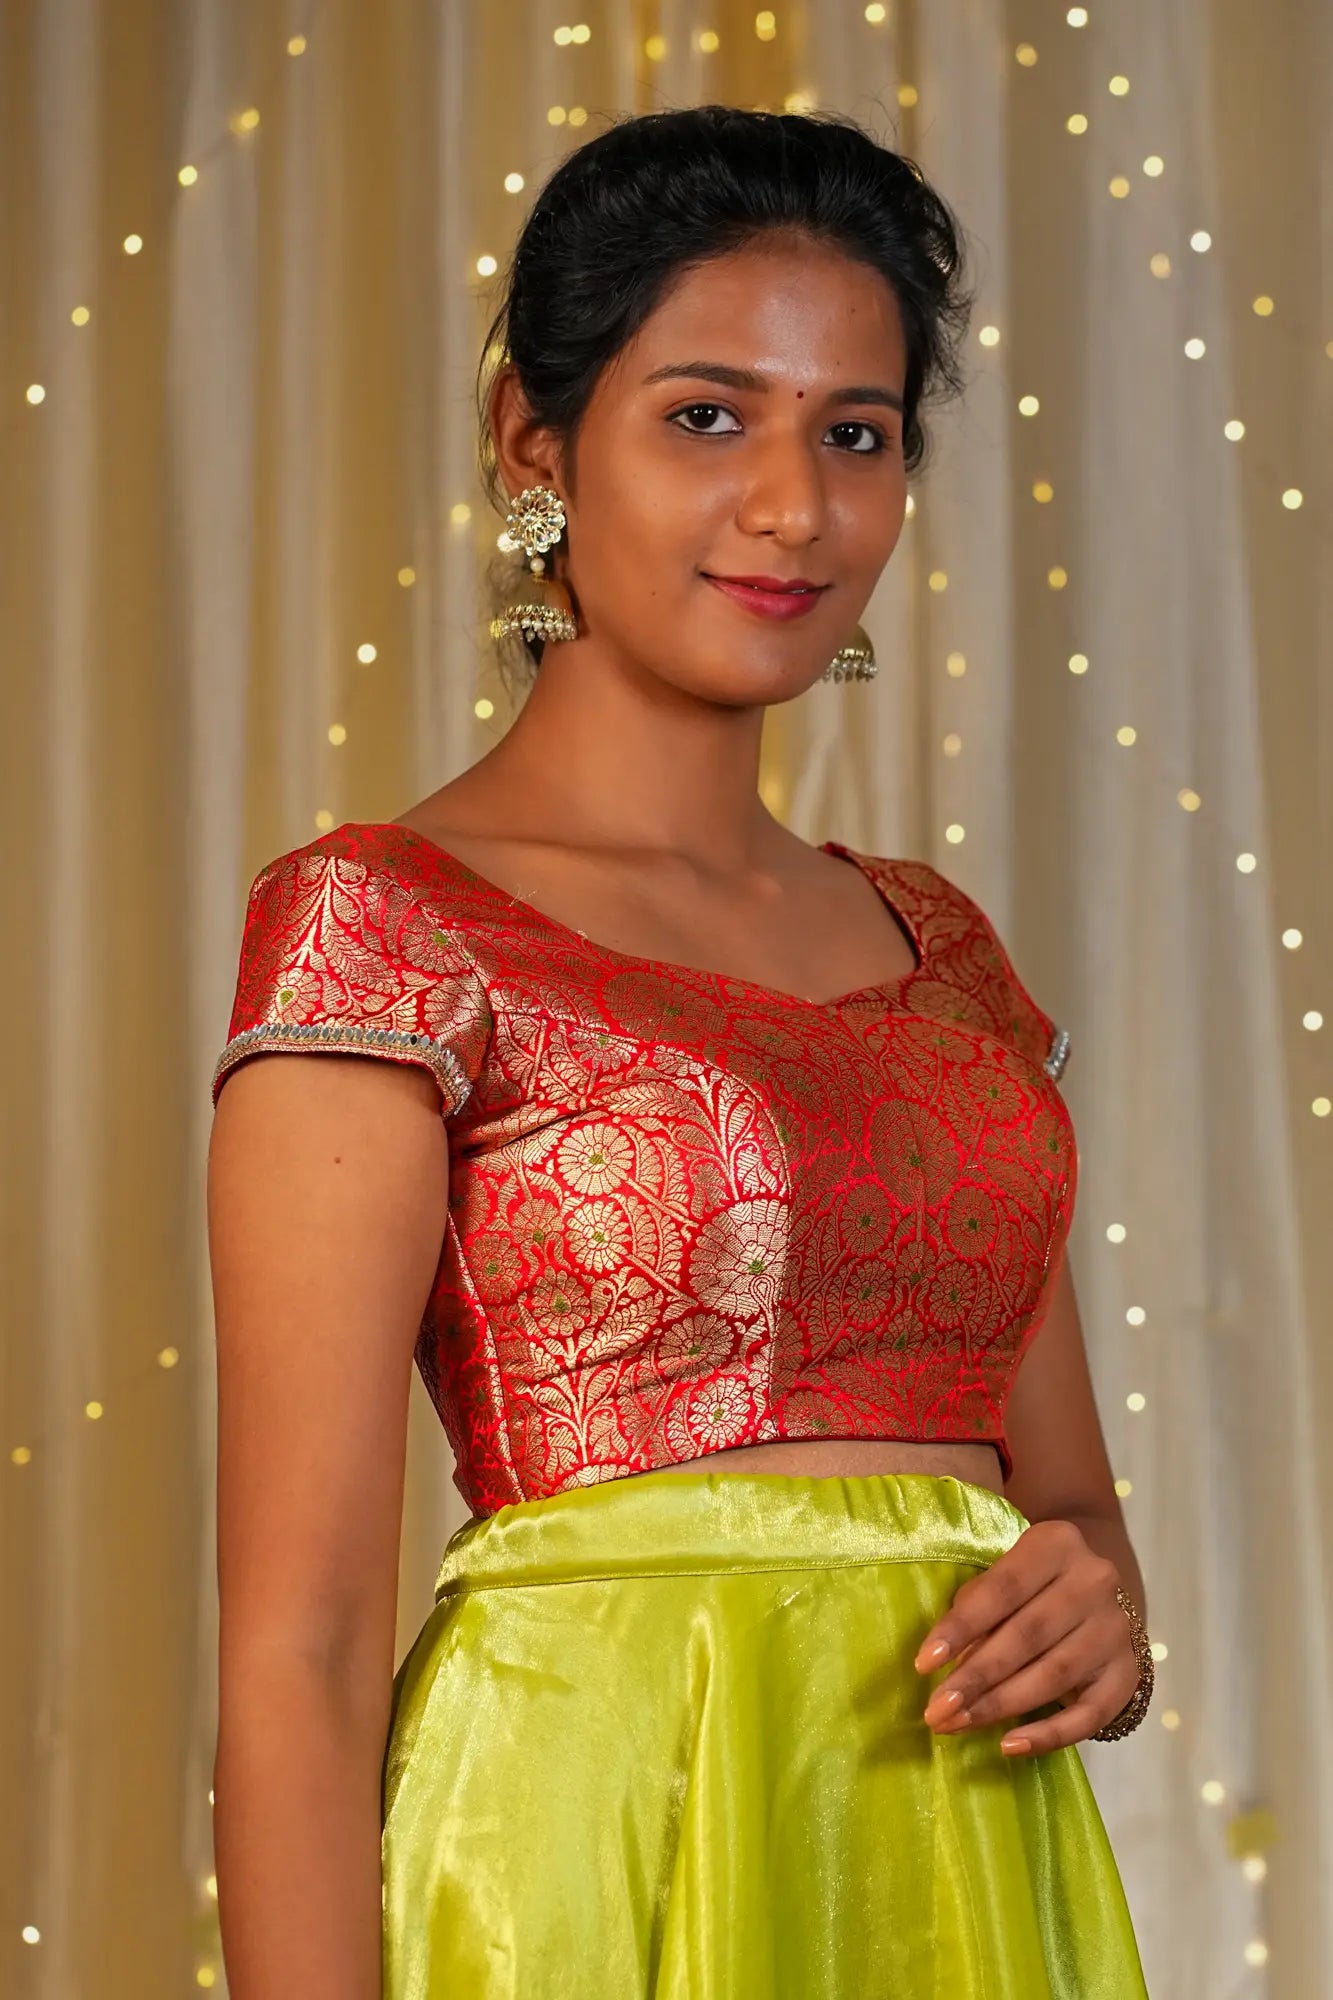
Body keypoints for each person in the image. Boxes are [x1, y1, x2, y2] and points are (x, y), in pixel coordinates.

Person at [207, 104, 1151, 1999]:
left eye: (854, 434)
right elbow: (296, 1654)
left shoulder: (944, 953)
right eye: (707, 416)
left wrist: (1099, 1615)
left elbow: (1064, 1510)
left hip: (963, 1874)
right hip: (590, 1851)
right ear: (533, 440)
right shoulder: (385, 923)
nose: (793, 507)